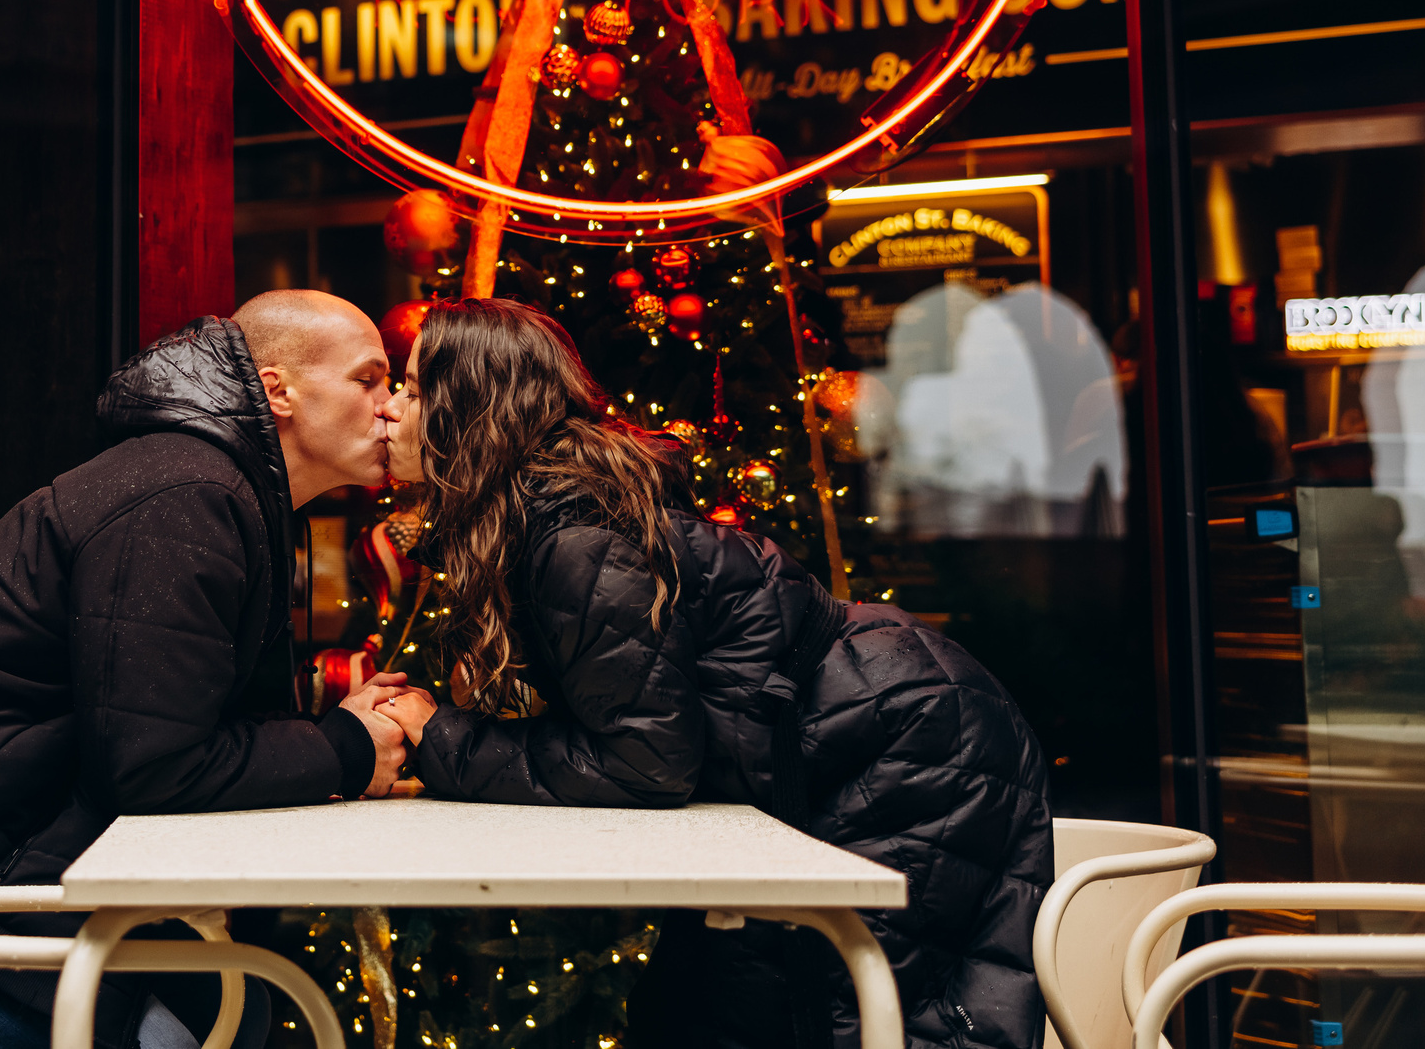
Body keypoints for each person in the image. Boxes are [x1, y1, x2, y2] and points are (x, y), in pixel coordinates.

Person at [375, 298, 1050, 1049]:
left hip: (901, 746)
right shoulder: (549, 515)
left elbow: (645, 764)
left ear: (468, 407)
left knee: (832, 1013)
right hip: (867, 726)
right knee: (707, 1006)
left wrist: (441, 736)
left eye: (410, 388)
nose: (390, 411)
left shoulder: (574, 537)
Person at [0, 291, 414, 1049]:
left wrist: (340, 732)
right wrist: (344, 746)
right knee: (208, 1034)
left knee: (248, 1023)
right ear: (279, 392)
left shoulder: (223, 490)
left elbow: (174, 723)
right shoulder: (188, 498)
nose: (391, 407)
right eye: (370, 380)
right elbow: (155, 770)